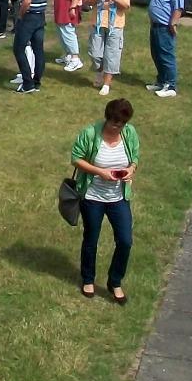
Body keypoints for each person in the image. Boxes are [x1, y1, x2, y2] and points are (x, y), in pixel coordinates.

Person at [70, 97, 140, 302]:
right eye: (114, 123)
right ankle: (88, 279)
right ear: (107, 118)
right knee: (91, 239)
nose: (117, 127)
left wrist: (131, 169)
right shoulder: (90, 133)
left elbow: (135, 157)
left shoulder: (129, 133)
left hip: (118, 197)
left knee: (125, 241)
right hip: (93, 197)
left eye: (122, 124)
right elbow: (76, 158)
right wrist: (99, 172)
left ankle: (115, 281)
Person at [9, 0, 50, 94]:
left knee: (18, 49)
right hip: (40, 17)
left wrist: (21, 15)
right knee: (38, 50)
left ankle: (27, 83)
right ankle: (36, 82)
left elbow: (27, 0)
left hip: (29, 17)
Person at [88, 0, 129, 96]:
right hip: (98, 23)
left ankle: (106, 84)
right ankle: (100, 71)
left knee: (111, 55)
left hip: (115, 24)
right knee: (95, 54)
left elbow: (126, 5)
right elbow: (88, 1)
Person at [147, 0, 184, 99]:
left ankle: (170, 85)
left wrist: (173, 23)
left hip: (165, 26)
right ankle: (161, 81)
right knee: (156, 54)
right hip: (155, 25)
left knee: (166, 56)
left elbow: (178, 6)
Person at [50, 0, 86, 74]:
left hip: (67, 10)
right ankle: (69, 55)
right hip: (61, 10)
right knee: (62, 33)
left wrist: (72, 8)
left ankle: (75, 59)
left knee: (68, 32)